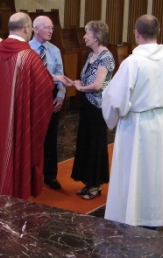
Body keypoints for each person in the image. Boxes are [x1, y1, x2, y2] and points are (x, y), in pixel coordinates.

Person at [0, 12, 69, 200]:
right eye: (31, 28)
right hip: (17, 122)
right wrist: (55, 79)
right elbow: (44, 87)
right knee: (13, 152)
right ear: (26, 28)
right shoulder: (29, 57)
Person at [102, 14, 163, 229]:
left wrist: (112, 119)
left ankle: (130, 215)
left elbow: (115, 99)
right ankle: (153, 215)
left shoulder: (133, 63)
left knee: (133, 171)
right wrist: (162, 115)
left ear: (136, 34)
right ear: (158, 33)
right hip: (161, 123)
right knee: (155, 172)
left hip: (135, 124)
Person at [67, 20, 114, 200]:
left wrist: (79, 88)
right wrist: (75, 83)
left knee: (95, 144)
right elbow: (86, 81)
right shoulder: (91, 55)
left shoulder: (105, 57)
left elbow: (96, 85)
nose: (84, 36)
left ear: (96, 37)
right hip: (87, 106)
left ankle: (96, 185)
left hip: (97, 108)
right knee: (86, 143)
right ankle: (88, 182)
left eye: (87, 33)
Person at [29, 15, 65, 190]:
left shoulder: (54, 50)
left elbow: (60, 74)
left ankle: (50, 175)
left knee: (51, 137)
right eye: (48, 27)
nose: (51, 31)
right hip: (32, 97)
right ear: (36, 29)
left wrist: (61, 95)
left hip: (51, 95)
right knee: (33, 138)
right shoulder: (26, 49)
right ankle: (30, 174)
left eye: (52, 28)